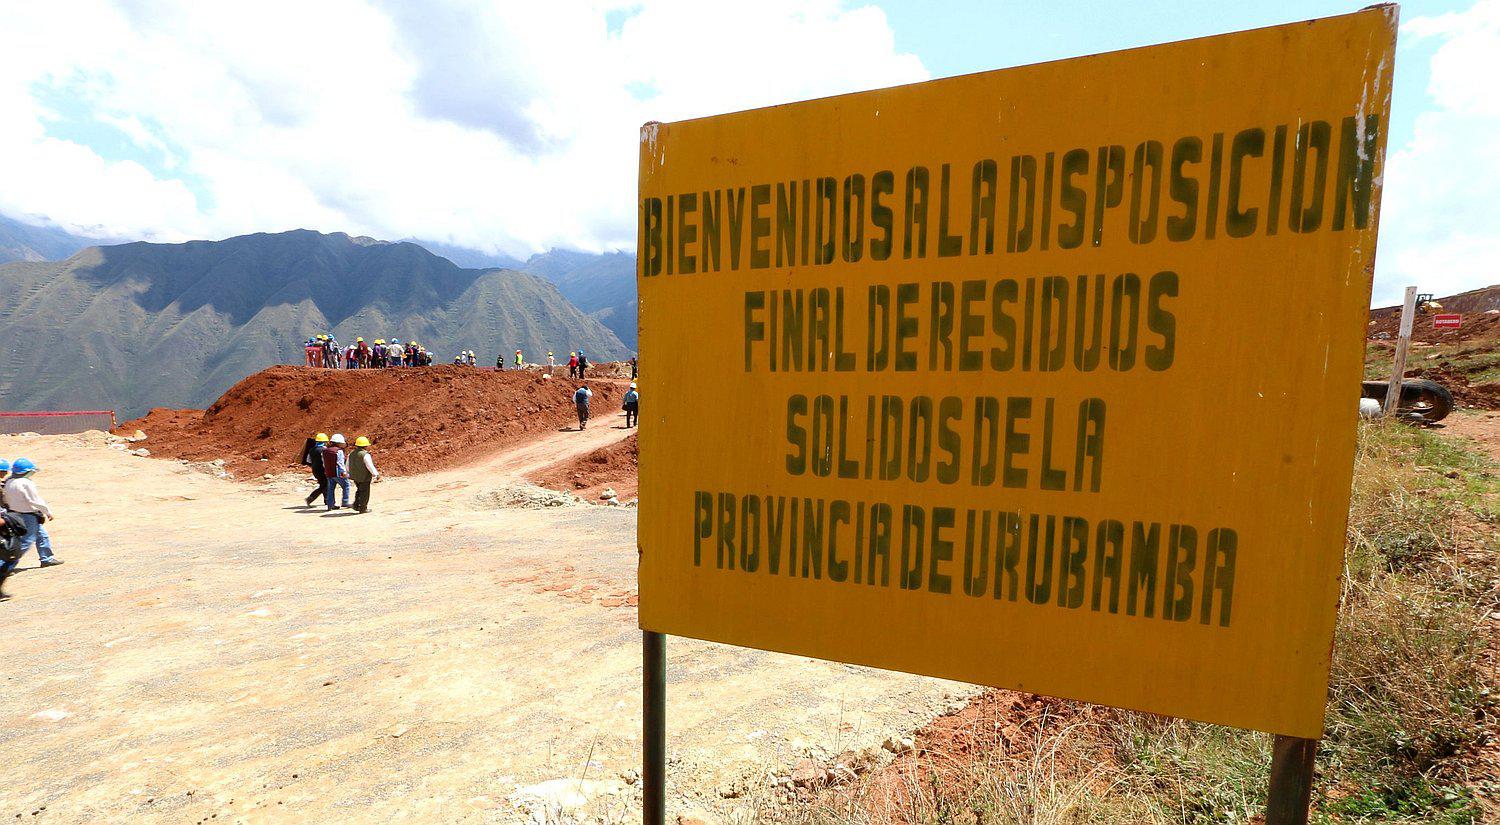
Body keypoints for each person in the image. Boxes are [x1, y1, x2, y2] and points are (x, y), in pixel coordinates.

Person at [2, 458, 62, 572]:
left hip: (14, 514)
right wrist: (47, 512)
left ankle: (46, 558)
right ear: (26, 471)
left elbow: (6, 499)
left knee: (42, 535)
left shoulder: (9, 482)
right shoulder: (26, 483)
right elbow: (34, 500)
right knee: (26, 542)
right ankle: (5, 565)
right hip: (28, 515)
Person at [349, 436, 381, 513]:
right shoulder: (365, 455)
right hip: (364, 477)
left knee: (359, 490)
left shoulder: (351, 454)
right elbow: (369, 466)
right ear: (365, 446)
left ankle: (356, 505)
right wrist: (376, 474)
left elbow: (348, 464)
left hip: (355, 477)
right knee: (365, 493)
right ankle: (363, 508)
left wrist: (348, 473)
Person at [299, 433, 330, 507]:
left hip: (315, 470)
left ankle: (327, 500)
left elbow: (308, 460)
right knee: (324, 485)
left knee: (324, 484)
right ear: (324, 441)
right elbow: (325, 462)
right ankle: (310, 499)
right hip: (323, 470)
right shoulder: (324, 450)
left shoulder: (311, 450)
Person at [322, 434, 351, 510]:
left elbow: (324, 462)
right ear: (339, 443)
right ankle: (345, 502)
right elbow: (340, 463)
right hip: (338, 472)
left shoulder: (325, 451)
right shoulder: (339, 451)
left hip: (329, 472)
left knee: (331, 488)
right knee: (346, 485)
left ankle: (330, 505)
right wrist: (344, 472)